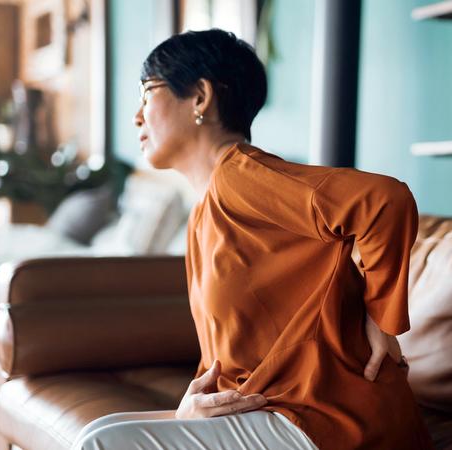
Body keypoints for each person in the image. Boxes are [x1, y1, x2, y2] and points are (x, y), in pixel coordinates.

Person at [72, 28, 433, 450]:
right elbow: (227, 353)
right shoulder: (203, 212)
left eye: (147, 92)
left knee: (103, 445)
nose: (137, 116)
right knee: (97, 432)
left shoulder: (243, 178)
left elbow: (383, 201)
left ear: (201, 97)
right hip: (271, 413)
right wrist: (191, 407)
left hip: (328, 421)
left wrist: (382, 320)